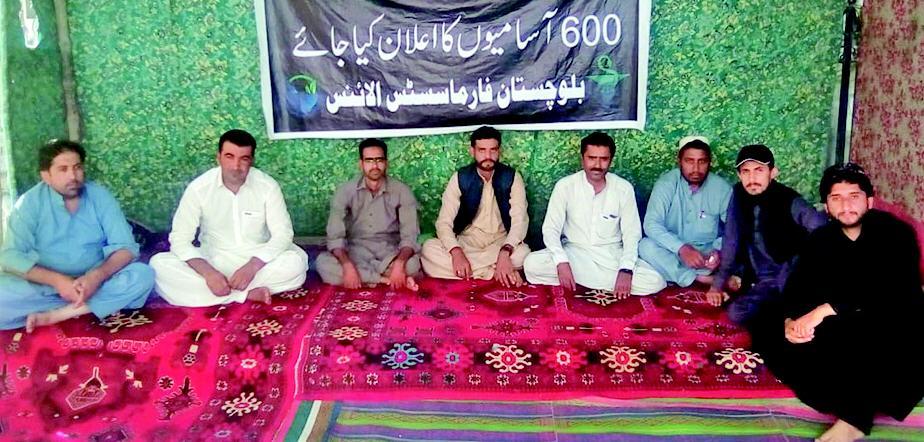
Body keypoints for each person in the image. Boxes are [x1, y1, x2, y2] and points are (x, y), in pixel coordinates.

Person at [764, 163, 924, 441]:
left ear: (869, 201)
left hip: (891, 318)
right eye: (836, 198)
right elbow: (800, 286)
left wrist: (823, 311)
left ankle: (854, 419)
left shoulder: (896, 233)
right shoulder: (820, 239)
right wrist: (791, 321)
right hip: (840, 322)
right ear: (826, 205)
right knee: (771, 325)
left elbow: (891, 289)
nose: (846, 206)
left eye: (854, 196)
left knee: (873, 343)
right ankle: (851, 402)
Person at [0, 140, 153, 332]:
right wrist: (58, 281)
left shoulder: (100, 196)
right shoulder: (29, 203)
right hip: (45, 287)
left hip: (95, 283)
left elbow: (127, 248)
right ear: (46, 175)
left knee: (142, 275)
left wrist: (96, 277)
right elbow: (10, 257)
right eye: (63, 169)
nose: (73, 176)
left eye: (77, 167)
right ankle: (93, 306)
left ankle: (59, 314)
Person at [150, 129, 308, 306]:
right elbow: (179, 239)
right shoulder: (199, 188)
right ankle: (243, 294)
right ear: (218, 158)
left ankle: (219, 292)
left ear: (252, 161)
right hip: (214, 258)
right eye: (229, 157)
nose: (236, 166)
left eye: (243, 159)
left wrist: (252, 267)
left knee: (296, 263)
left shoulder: (267, 186)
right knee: (159, 265)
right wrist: (208, 273)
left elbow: (283, 234)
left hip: (258, 258)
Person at [523, 132, 666, 298]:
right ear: (582, 159)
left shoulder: (623, 188)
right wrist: (561, 262)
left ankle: (581, 280)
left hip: (610, 256)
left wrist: (626, 269)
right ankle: (604, 282)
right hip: (574, 253)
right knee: (531, 264)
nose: (597, 165)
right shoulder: (565, 186)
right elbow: (551, 229)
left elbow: (632, 234)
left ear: (611, 160)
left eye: (604, 159)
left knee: (655, 281)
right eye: (591, 158)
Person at [704, 144, 826, 325]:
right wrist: (717, 285)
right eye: (746, 171)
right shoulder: (738, 194)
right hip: (762, 278)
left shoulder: (788, 199)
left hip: (791, 274)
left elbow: (822, 229)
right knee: (736, 313)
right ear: (739, 175)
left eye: (759, 170)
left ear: (773, 172)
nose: (752, 178)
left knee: (788, 312)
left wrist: (806, 265)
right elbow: (731, 240)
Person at [420, 126, 530, 287]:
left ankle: (472, 271)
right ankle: (494, 273)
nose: (488, 156)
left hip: (500, 242)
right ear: (472, 151)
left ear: (499, 151)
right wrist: (456, 252)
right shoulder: (460, 177)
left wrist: (505, 251)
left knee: (523, 254)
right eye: (482, 150)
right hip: (468, 241)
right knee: (428, 249)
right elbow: (444, 223)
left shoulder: (512, 177)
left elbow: (520, 221)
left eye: (493, 150)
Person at [315, 138, 421, 290]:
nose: (375, 166)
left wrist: (399, 264)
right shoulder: (345, 191)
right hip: (355, 251)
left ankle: (368, 278)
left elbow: (410, 236)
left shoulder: (402, 191)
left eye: (379, 160)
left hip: (389, 252)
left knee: (412, 265)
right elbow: (335, 238)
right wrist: (347, 266)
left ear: (386, 163)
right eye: (369, 160)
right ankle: (385, 280)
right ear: (361, 164)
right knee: (323, 263)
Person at [639, 135, 732, 287]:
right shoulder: (666, 184)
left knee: (742, 243)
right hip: (672, 252)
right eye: (689, 161)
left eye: (702, 161)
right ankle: (700, 279)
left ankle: (692, 274)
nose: (696, 169)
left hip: (705, 257)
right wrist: (681, 248)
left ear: (710, 162)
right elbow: (651, 224)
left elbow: (733, 228)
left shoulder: (721, 188)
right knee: (645, 246)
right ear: (679, 161)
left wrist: (718, 252)